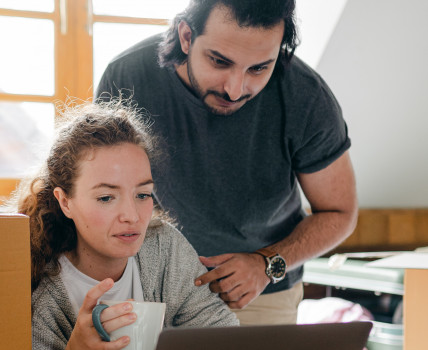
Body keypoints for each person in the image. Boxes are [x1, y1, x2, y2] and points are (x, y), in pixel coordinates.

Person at [95, 0, 358, 325]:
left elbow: (339, 213)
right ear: (187, 36)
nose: (235, 90)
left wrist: (266, 264)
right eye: (220, 62)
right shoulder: (127, 77)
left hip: (259, 293)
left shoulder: (307, 96)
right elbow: (102, 192)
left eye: (259, 68)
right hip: (147, 286)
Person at [12, 101, 239, 350]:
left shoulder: (165, 249)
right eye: (106, 198)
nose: (132, 216)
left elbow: (222, 334)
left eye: (142, 195)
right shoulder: (34, 286)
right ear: (65, 202)